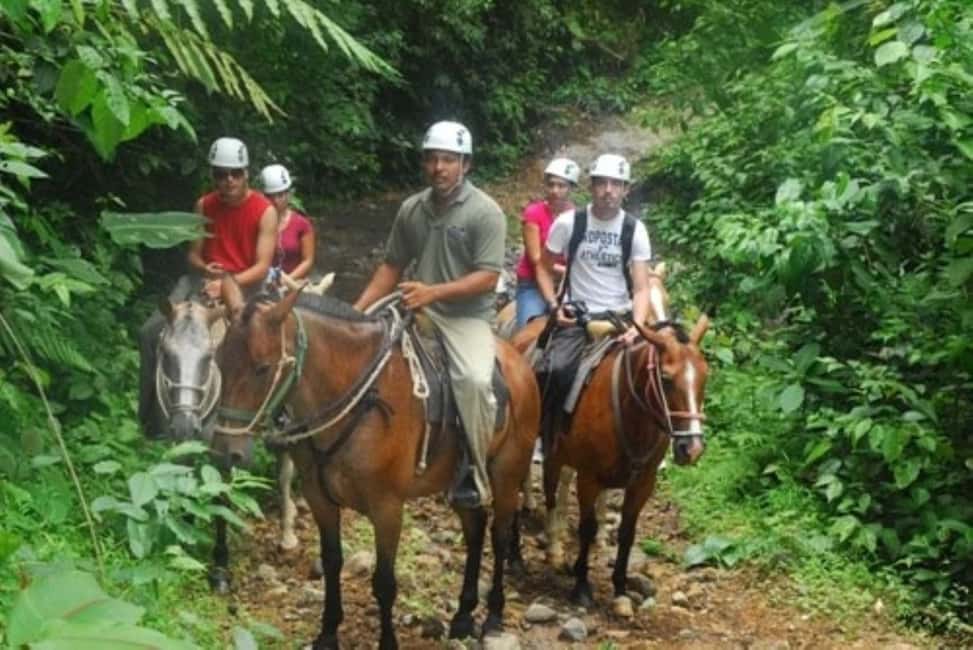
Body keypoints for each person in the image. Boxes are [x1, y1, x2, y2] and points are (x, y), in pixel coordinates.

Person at [354, 120, 506, 509]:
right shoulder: (412, 209)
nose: (439, 168)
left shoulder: (485, 212)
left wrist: (433, 292)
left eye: (449, 160)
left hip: (464, 317)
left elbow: (489, 276)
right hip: (414, 307)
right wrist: (356, 313)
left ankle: (474, 468)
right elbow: (392, 265)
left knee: (474, 380)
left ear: (466, 164)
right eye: (433, 159)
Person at [137, 137, 278, 437]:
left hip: (244, 284)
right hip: (200, 281)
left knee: (260, 341)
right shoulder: (204, 205)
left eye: (235, 173)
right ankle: (148, 414)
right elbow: (193, 254)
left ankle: (269, 417)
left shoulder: (264, 210)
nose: (228, 181)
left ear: (246, 174)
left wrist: (226, 283)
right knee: (149, 333)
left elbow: (262, 266)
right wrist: (205, 269)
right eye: (221, 174)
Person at [534, 153, 653, 444]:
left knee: (656, 370)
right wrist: (554, 305)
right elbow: (544, 267)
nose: (608, 190)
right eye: (602, 183)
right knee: (554, 370)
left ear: (626, 190)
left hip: (619, 317)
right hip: (578, 316)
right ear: (591, 186)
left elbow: (641, 288)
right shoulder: (569, 223)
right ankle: (545, 433)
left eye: (616, 184)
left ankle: (656, 439)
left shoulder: (634, 229)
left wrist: (637, 327)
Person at [513, 157, 578, 329]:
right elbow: (536, 259)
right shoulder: (534, 213)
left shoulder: (576, 217)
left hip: (565, 285)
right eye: (551, 185)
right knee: (528, 330)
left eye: (561, 186)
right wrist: (567, 271)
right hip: (533, 283)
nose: (555, 191)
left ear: (571, 188)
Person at [259, 163, 316, 282]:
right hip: (262, 282)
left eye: (280, 195)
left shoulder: (302, 224)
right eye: (270, 196)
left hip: (294, 283)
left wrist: (287, 280)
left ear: (288, 194)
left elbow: (308, 260)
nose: (275, 201)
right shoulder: (256, 223)